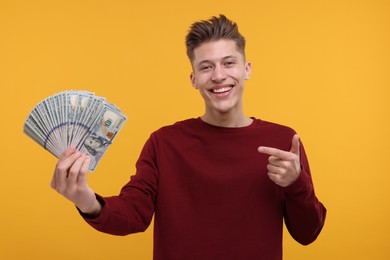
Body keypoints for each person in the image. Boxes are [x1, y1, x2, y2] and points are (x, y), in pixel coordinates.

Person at [51, 14, 326, 260]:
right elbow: (133, 214)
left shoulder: (283, 142)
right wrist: (85, 199)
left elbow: (308, 233)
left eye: (229, 63)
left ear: (247, 69)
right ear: (194, 78)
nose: (219, 76)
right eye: (206, 67)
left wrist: (296, 183)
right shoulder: (165, 143)